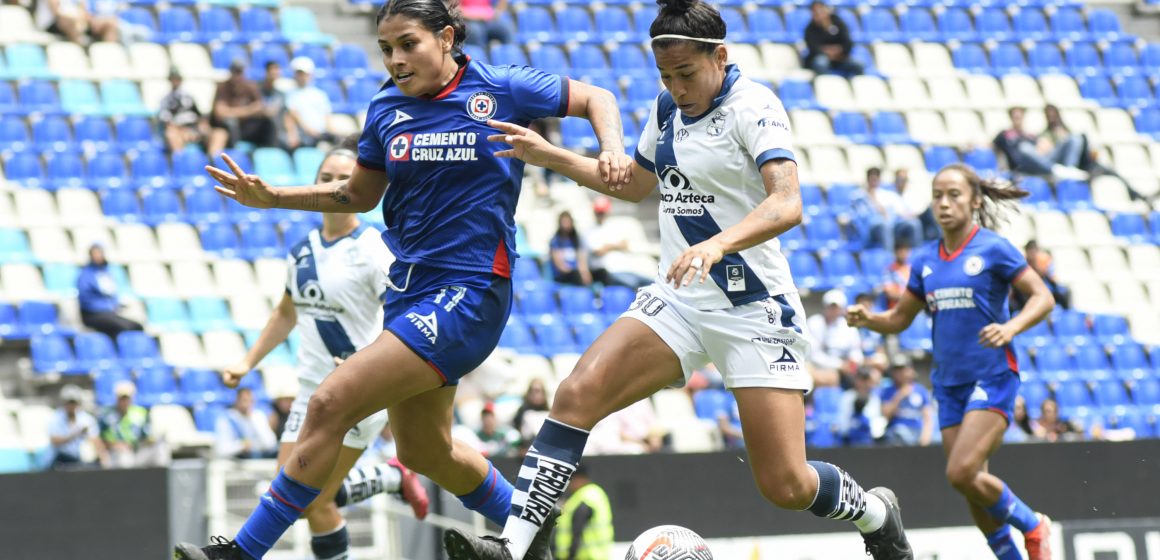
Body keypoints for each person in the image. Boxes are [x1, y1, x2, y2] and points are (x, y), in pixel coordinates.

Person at [442, 1, 913, 558]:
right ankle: (514, 547)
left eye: (686, 74)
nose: (676, 87)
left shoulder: (755, 105)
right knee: (576, 394)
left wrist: (714, 244)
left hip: (752, 308)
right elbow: (637, 185)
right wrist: (551, 156)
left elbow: (788, 205)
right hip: (680, 299)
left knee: (785, 484)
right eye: (665, 76)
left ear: (720, 55)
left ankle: (879, 515)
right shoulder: (666, 109)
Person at [175, 0, 631, 557]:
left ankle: (241, 552)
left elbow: (596, 97)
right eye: (385, 48)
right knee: (423, 450)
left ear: (447, 37)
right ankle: (528, 532)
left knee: (328, 403)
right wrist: (274, 198)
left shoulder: (501, 85)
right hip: (410, 290)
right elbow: (360, 195)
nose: (395, 59)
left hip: (470, 290)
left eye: (407, 44)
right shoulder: (386, 108)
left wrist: (610, 148)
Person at [215, 136, 429, 559]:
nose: (333, 184)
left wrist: (368, 361)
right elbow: (286, 312)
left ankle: (390, 477)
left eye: (342, 178)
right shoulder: (302, 250)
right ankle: (389, 477)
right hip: (307, 392)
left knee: (305, 498)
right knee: (303, 501)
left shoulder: (374, 249)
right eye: (324, 177)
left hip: (356, 390)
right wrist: (247, 361)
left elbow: (402, 314)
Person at [847, 163, 1056, 560]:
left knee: (960, 472)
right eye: (938, 195)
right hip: (948, 384)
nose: (944, 203)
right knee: (971, 481)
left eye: (954, 195)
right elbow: (898, 319)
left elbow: (1042, 297)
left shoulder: (993, 248)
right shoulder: (926, 260)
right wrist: (870, 319)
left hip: (992, 375)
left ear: (975, 201)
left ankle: (1033, 525)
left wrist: (1010, 328)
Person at [993, 107, 1087, 181]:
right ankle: (1055, 169)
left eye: (1020, 116)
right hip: (1023, 166)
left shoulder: (1030, 135)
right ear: (1011, 118)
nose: (1018, 119)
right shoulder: (1004, 134)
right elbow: (991, 146)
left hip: (1040, 161)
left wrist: (1045, 145)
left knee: (1075, 138)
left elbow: (1044, 148)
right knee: (1024, 148)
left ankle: (1069, 169)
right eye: (1015, 117)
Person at [207, 60, 277, 157]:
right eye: (235, 72)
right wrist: (248, 110)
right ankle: (233, 155)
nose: (237, 76)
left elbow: (260, 107)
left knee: (268, 122)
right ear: (230, 72)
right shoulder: (223, 87)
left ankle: (269, 155)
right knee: (230, 123)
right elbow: (220, 113)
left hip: (246, 128)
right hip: (229, 129)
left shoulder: (250, 86)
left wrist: (232, 112)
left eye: (239, 72)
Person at [77, 244, 143, 340]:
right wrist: (105, 306)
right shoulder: (85, 274)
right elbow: (85, 300)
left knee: (137, 326)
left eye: (100, 253)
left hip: (110, 313)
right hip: (94, 314)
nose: (98, 256)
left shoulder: (108, 272)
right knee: (123, 327)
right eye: (95, 254)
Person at [98, 381, 170, 468]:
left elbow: (145, 437)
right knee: (124, 457)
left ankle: (161, 479)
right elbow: (98, 439)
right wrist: (115, 445)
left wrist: (152, 440)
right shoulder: (106, 414)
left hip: (137, 452)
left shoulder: (140, 412)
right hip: (116, 455)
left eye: (127, 398)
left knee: (160, 448)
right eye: (122, 398)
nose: (124, 401)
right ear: (116, 398)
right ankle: (127, 481)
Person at [586, 196, 651, 289]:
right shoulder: (590, 231)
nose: (600, 215)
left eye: (602, 212)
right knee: (633, 284)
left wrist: (608, 246)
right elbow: (599, 251)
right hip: (608, 272)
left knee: (652, 283)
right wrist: (615, 246)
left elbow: (625, 245)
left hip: (625, 268)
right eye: (598, 213)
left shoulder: (613, 226)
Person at [851, 167, 920, 252]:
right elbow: (860, 216)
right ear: (867, 179)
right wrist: (873, 200)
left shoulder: (887, 194)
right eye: (871, 179)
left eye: (876, 179)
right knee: (885, 226)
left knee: (913, 224)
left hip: (892, 224)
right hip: (872, 228)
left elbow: (899, 212)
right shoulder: (859, 195)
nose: (874, 182)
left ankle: (916, 255)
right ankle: (890, 257)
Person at [554, 466, 613, 560]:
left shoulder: (584, 498)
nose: (568, 484)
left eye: (571, 480)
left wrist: (570, 556)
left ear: (579, 479)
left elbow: (577, 531)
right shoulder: (595, 493)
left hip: (584, 557)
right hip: (599, 556)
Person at [807, 289, 864, 387]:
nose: (833, 310)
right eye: (831, 306)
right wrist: (839, 365)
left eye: (836, 307)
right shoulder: (814, 323)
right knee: (830, 377)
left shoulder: (848, 327)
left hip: (845, 369)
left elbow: (855, 351)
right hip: (818, 367)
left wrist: (853, 363)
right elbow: (813, 355)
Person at [49, 384, 108, 469]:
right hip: (60, 460)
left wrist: (103, 458)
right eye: (68, 402)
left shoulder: (86, 419)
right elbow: (54, 441)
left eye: (73, 402)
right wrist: (76, 434)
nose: (71, 406)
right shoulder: (55, 418)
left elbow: (95, 440)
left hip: (80, 460)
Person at [159, 68, 216, 154]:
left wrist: (201, 127)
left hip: (194, 128)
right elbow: (167, 122)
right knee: (172, 134)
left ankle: (213, 159)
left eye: (177, 78)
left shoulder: (189, 97)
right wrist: (182, 130)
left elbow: (199, 116)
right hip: (178, 130)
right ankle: (180, 161)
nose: (175, 81)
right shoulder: (166, 100)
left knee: (217, 133)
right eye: (173, 79)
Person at [214, 388, 279, 460]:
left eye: (251, 401)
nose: (247, 405)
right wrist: (241, 446)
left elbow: (270, 444)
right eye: (244, 401)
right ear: (237, 401)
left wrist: (254, 420)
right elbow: (222, 450)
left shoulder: (258, 416)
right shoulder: (226, 419)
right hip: (236, 460)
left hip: (260, 457)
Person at [879, 362, 933, 447]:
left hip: (917, 431)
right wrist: (899, 396)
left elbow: (927, 417)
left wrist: (925, 437)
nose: (900, 373)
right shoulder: (888, 391)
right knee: (898, 432)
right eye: (897, 370)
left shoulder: (921, 390)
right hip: (896, 432)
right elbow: (886, 415)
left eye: (903, 369)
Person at [286, 57, 335, 148]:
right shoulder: (291, 94)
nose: (302, 77)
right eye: (299, 74)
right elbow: (294, 116)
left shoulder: (320, 94)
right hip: (306, 137)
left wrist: (330, 133)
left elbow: (327, 117)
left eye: (304, 74)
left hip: (321, 134)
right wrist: (311, 132)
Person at [802, 1, 862, 76]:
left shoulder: (838, 23)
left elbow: (848, 42)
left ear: (826, 9)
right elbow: (813, 48)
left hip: (839, 58)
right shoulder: (810, 29)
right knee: (821, 63)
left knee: (858, 65)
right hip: (821, 57)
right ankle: (826, 84)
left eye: (820, 10)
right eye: (815, 11)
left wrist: (840, 51)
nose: (819, 13)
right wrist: (828, 53)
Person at [1012, 240, 1069, 311]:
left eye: (1035, 250)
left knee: (1063, 291)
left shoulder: (1044, 260)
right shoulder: (1022, 262)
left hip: (1044, 285)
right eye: (1031, 251)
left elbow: (1051, 277)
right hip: (1026, 289)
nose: (1033, 254)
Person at [837, 367, 885, 446]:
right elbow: (843, 422)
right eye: (861, 379)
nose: (864, 383)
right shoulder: (847, 396)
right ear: (856, 380)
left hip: (869, 439)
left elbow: (876, 424)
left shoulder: (874, 398)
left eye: (866, 379)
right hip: (848, 440)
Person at [35, 0, 116, 45]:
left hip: (78, 23)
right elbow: (56, 12)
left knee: (110, 23)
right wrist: (77, 19)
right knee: (70, 21)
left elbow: (84, 12)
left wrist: (93, 21)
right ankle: (80, 50)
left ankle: (111, 60)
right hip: (53, 23)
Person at [549, 211, 592, 286]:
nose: (566, 225)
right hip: (563, 276)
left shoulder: (577, 240)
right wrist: (576, 271)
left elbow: (582, 261)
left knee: (600, 272)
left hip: (576, 273)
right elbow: (560, 266)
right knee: (576, 275)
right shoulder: (556, 241)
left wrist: (585, 273)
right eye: (564, 222)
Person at [512, 378, 551, 443]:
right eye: (533, 391)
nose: (536, 395)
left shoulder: (549, 412)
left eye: (538, 391)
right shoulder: (522, 411)